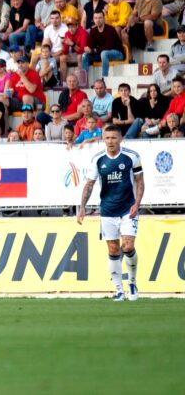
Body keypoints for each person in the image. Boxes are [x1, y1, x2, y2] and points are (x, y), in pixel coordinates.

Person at [77, 125, 143, 302]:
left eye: (114, 138)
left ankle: (132, 282)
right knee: (113, 250)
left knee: (127, 246)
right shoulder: (98, 159)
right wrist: (82, 207)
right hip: (107, 211)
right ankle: (119, 290)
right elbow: (89, 184)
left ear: (120, 138)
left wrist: (137, 204)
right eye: (107, 138)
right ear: (103, 139)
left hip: (128, 209)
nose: (110, 141)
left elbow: (140, 181)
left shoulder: (132, 156)